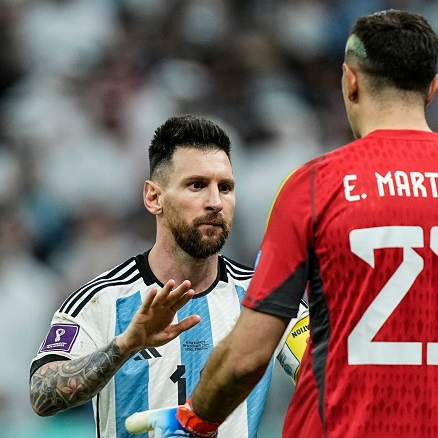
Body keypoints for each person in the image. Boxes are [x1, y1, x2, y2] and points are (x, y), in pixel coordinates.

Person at [139, 10, 438, 438]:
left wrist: (195, 418)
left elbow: (246, 357)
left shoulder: (316, 188)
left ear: (350, 81)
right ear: (433, 89)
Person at [29, 115, 308, 438]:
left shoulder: (265, 296)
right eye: (197, 185)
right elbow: (41, 394)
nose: (215, 202)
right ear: (153, 197)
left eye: (226, 187)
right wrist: (124, 346)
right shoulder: (102, 300)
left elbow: (328, 372)